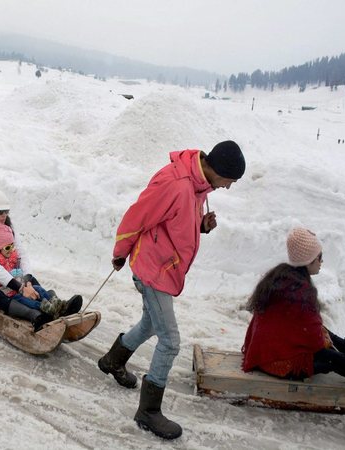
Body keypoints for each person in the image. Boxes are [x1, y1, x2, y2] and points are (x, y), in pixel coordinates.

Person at [98, 140, 246, 440]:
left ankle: (112, 361)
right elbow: (138, 215)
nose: (228, 188)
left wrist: (200, 226)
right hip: (153, 270)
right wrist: (120, 252)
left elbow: (174, 221)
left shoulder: (197, 186)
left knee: (150, 324)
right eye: (229, 182)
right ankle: (148, 411)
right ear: (217, 169)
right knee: (170, 340)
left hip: (163, 267)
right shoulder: (176, 183)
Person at [242, 227, 345, 386]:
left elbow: (302, 329)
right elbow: (316, 344)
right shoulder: (301, 291)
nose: (322, 262)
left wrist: (324, 335)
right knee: (331, 358)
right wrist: (325, 340)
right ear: (309, 260)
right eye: (320, 257)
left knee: (324, 333)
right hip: (280, 363)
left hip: (266, 354)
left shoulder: (281, 276)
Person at [0, 189, 82, 331]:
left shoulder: (7, 227)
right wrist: (20, 288)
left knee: (31, 281)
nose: (4, 215)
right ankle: (34, 315)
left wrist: (27, 281)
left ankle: (57, 305)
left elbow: (21, 254)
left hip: (6, 271)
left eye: (6, 211)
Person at [0, 222, 76, 318]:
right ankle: (46, 309)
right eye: (7, 247)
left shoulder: (13, 256)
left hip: (20, 288)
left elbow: (22, 265)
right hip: (9, 294)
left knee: (38, 289)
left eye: (12, 245)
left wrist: (21, 275)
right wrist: (2, 279)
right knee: (27, 302)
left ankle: (57, 304)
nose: (11, 249)